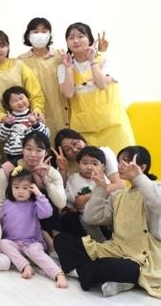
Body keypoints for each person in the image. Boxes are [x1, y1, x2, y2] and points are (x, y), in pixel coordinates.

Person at [54, 146, 161, 298]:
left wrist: (138, 177)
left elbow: (157, 204)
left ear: (142, 167)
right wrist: (100, 189)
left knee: (113, 266)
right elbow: (91, 218)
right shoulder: (119, 195)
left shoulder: (155, 187)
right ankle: (109, 277)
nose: (120, 166)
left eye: (126, 161)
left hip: (143, 257)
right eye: (119, 161)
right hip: (116, 249)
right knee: (61, 240)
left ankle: (92, 272)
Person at [58, 22, 134, 154]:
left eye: (81, 36)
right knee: (90, 164)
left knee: (123, 162)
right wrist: (68, 68)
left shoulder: (104, 59)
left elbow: (102, 84)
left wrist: (92, 60)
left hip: (113, 125)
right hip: (84, 129)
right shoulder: (63, 67)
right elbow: (68, 94)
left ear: (90, 39)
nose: (76, 41)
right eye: (71, 37)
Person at [0, 167, 68, 288]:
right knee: (3, 243)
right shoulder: (6, 204)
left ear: (31, 188)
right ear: (10, 188)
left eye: (25, 188)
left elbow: (47, 213)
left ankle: (58, 274)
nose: (20, 191)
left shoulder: (34, 204)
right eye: (16, 187)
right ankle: (25, 266)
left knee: (36, 252)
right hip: (13, 242)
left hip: (32, 242)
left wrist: (39, 194)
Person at [0, 132, 67, 238]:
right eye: (29, 149)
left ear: (46, 152)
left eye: (39, 150)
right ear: (22, 149)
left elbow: (61, 203)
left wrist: (45, 180)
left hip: (43, 218)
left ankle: (53, 239)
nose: (33, 155)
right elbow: (1, 203)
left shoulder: (51, 172)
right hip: (16, 220)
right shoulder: (7, 169)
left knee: (44, 196)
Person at [0, 30, 45, 125]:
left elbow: (34, 90)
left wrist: (37, 108)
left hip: (26, 120)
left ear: (8, 47)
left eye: (2, 46)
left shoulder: (19, 65)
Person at [18, 17, 72, 135]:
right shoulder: (21, 61)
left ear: (50, 34)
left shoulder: (59, 56)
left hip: (61, 111)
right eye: (35, 32)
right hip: (36, 114)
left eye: (44, 31)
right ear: (28, 35)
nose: (40, 35)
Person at [54, 128, 125, 193]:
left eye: (75, 143)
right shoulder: (65, 166)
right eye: (67, 149)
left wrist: (86, 197)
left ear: (81, 139)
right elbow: (61, 194)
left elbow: (120, 185)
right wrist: (63, 171)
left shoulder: (104, 153)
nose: (74, 149)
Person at [62, 146, 109, 240]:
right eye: (85, 163)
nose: (89, 167)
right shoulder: (73, 178)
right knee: (85, 219)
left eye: (95, 164)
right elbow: (75, 202)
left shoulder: (103, 178)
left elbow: (107, 195)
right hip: (82, 213)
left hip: (101, 211)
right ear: (78, 164)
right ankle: (100, 242)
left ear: (103, 167)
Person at [0, 86, 50, 163]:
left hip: (34, 154)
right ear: (9, 105)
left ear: (28, 98)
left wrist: (35, 124)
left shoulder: (35, 115)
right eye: (14, 101)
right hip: (14, 155)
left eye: (21, 98)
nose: (20, 102)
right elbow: (1, 138)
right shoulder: (6, 119)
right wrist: (7, 125)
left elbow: (45, 135)